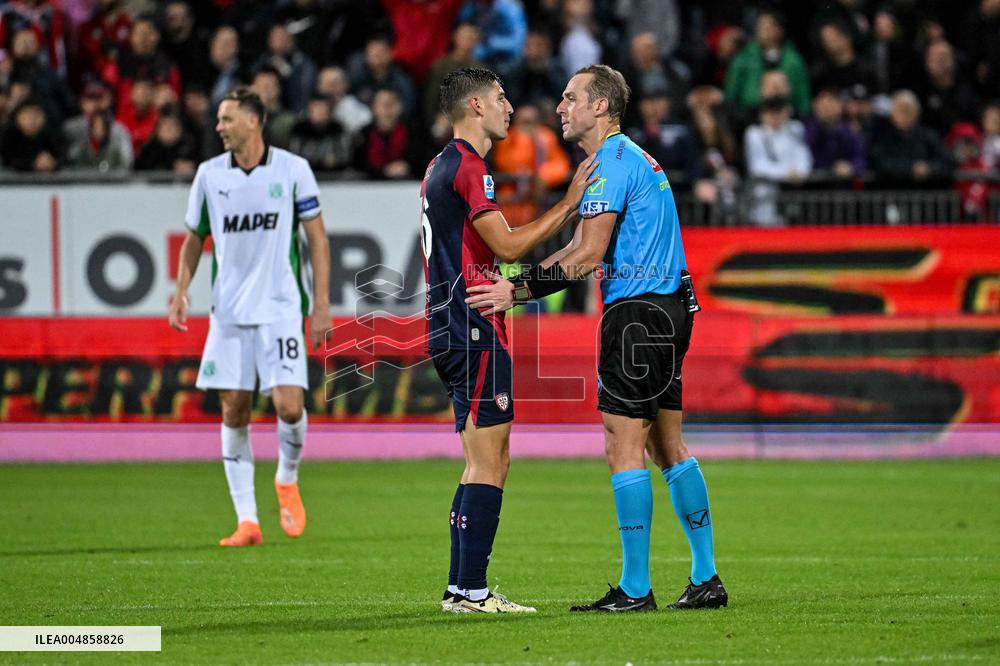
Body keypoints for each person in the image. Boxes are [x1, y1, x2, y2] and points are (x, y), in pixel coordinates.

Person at [465, 64, 727, 612]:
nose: (560, 107)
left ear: (601, 107)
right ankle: (705, 577)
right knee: (666, 444)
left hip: (637, 314)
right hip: (671, 308)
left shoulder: (608, 163)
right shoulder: (631, 158)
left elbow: (584, 258)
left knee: (622, 444)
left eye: (570, 97)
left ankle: (635, 588)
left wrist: (515, 292)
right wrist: (519, 283)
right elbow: (583, 248)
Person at [422, 67, 596, 613]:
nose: (509, 106)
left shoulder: (439, 165)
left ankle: (460, 587)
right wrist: (569, 204)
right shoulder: (470, 167)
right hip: (472, 325)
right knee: (491, 462)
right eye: (499, 97)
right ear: (474, 105)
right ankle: (472, 591)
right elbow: (510, 245)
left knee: (480, 459)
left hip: (451, 323)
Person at [168, 86, 331, 548]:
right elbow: (195, 237)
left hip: (281, 308)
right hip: (231, 314)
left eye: (227, 118)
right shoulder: (208, 176)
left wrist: (320, 305)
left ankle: (287, 478)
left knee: (289, 406)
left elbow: (317, 240)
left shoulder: (293, 170)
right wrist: (180, 291)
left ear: (254, 121)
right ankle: (248, 521)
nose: (219, 126)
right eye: (219, 119)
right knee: (234, 409)